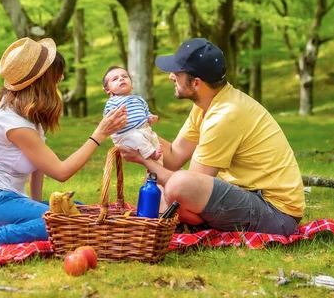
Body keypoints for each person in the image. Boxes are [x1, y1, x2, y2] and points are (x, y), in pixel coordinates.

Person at [118, 38, 305, 236]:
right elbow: (173, 155)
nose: (171, 76)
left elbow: (189, 184)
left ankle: (192, 224)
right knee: (156, 179)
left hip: (276, 214)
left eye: (178, 73)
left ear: (196, 83)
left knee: (175, 184)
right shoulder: (207, 105)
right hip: (249, 197)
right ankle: (186, 221)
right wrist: (138, 130)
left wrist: (143, 160)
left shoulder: (225, 115)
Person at [0, 37, 127, 247]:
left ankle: (16, 228)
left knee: (78, 209)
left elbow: (37, 165)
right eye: (57, 75)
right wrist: (100, 134)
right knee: (66, 221)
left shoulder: (26, 115)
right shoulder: (13, 122)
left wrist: (34, 205)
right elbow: (61, 172)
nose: (61, 78)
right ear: (43, 81)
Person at [102, 66, 162, 164]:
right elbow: (107, 118)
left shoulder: (139, 99)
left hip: (144, 130)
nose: (121, 79)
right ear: (108, 90)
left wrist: (150, 118)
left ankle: (157, 170)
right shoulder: (113, 102)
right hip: (126, 134)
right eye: (115, 79)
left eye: (124, 76)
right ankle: (151, 154)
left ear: (132, 84)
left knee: (155, 139)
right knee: (137, 138)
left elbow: (146, 112)